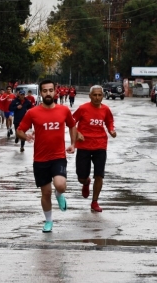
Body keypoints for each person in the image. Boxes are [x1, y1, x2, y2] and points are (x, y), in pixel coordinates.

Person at [16, 80, 77, 233]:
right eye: (45, 91)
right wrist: (26, 136)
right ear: (41, 93)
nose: (48, 93)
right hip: (40, 159)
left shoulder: (64, 110)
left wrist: (73, 144)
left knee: (60, 185)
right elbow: (19, 130)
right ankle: (48, 221)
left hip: (58, 156)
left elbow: (72, 125)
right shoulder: (32, 112)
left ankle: (59, 194)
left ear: (55, 91)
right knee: (45, 193)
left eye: (51, 90)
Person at [73, 85, 116, 212]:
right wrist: (77, 133)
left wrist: (111, 130)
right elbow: (71, 121)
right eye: (95, 95)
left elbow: (109, 122)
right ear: (90, 96)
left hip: (100, 145)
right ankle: (86, 182)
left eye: (99, 95)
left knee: (99, 175)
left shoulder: (106, 109)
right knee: (81, 177)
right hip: (84, 146)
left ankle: (95, 201)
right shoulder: (83, 108)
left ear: (103, 96)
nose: (97, 98)